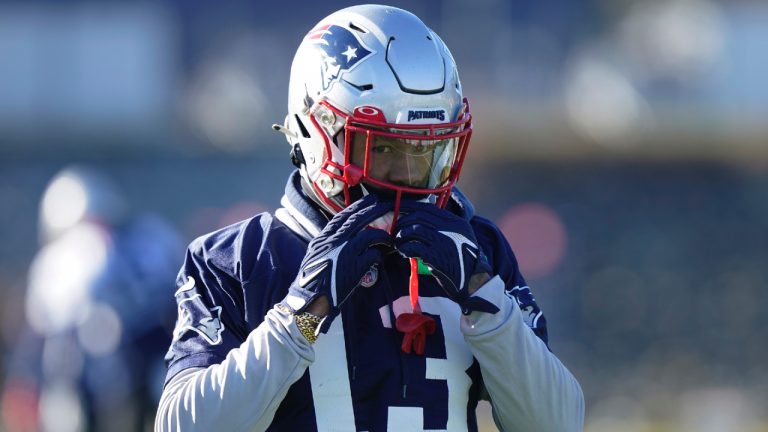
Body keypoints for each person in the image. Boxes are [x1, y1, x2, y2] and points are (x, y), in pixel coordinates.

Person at [156, 5, 584, 431]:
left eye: (425, 151)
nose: (408, 177)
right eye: (381, 150)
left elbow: (557, 423)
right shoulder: (239, 259)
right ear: (315, 133)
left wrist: (484, 300)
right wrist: (303, 314)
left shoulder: (476, 250)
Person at [2, 166, 183, 432]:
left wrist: (25, 375)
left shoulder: (61, 259)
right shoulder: (155, 236)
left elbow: (42, 334)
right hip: (161, 361)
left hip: (93, 379)